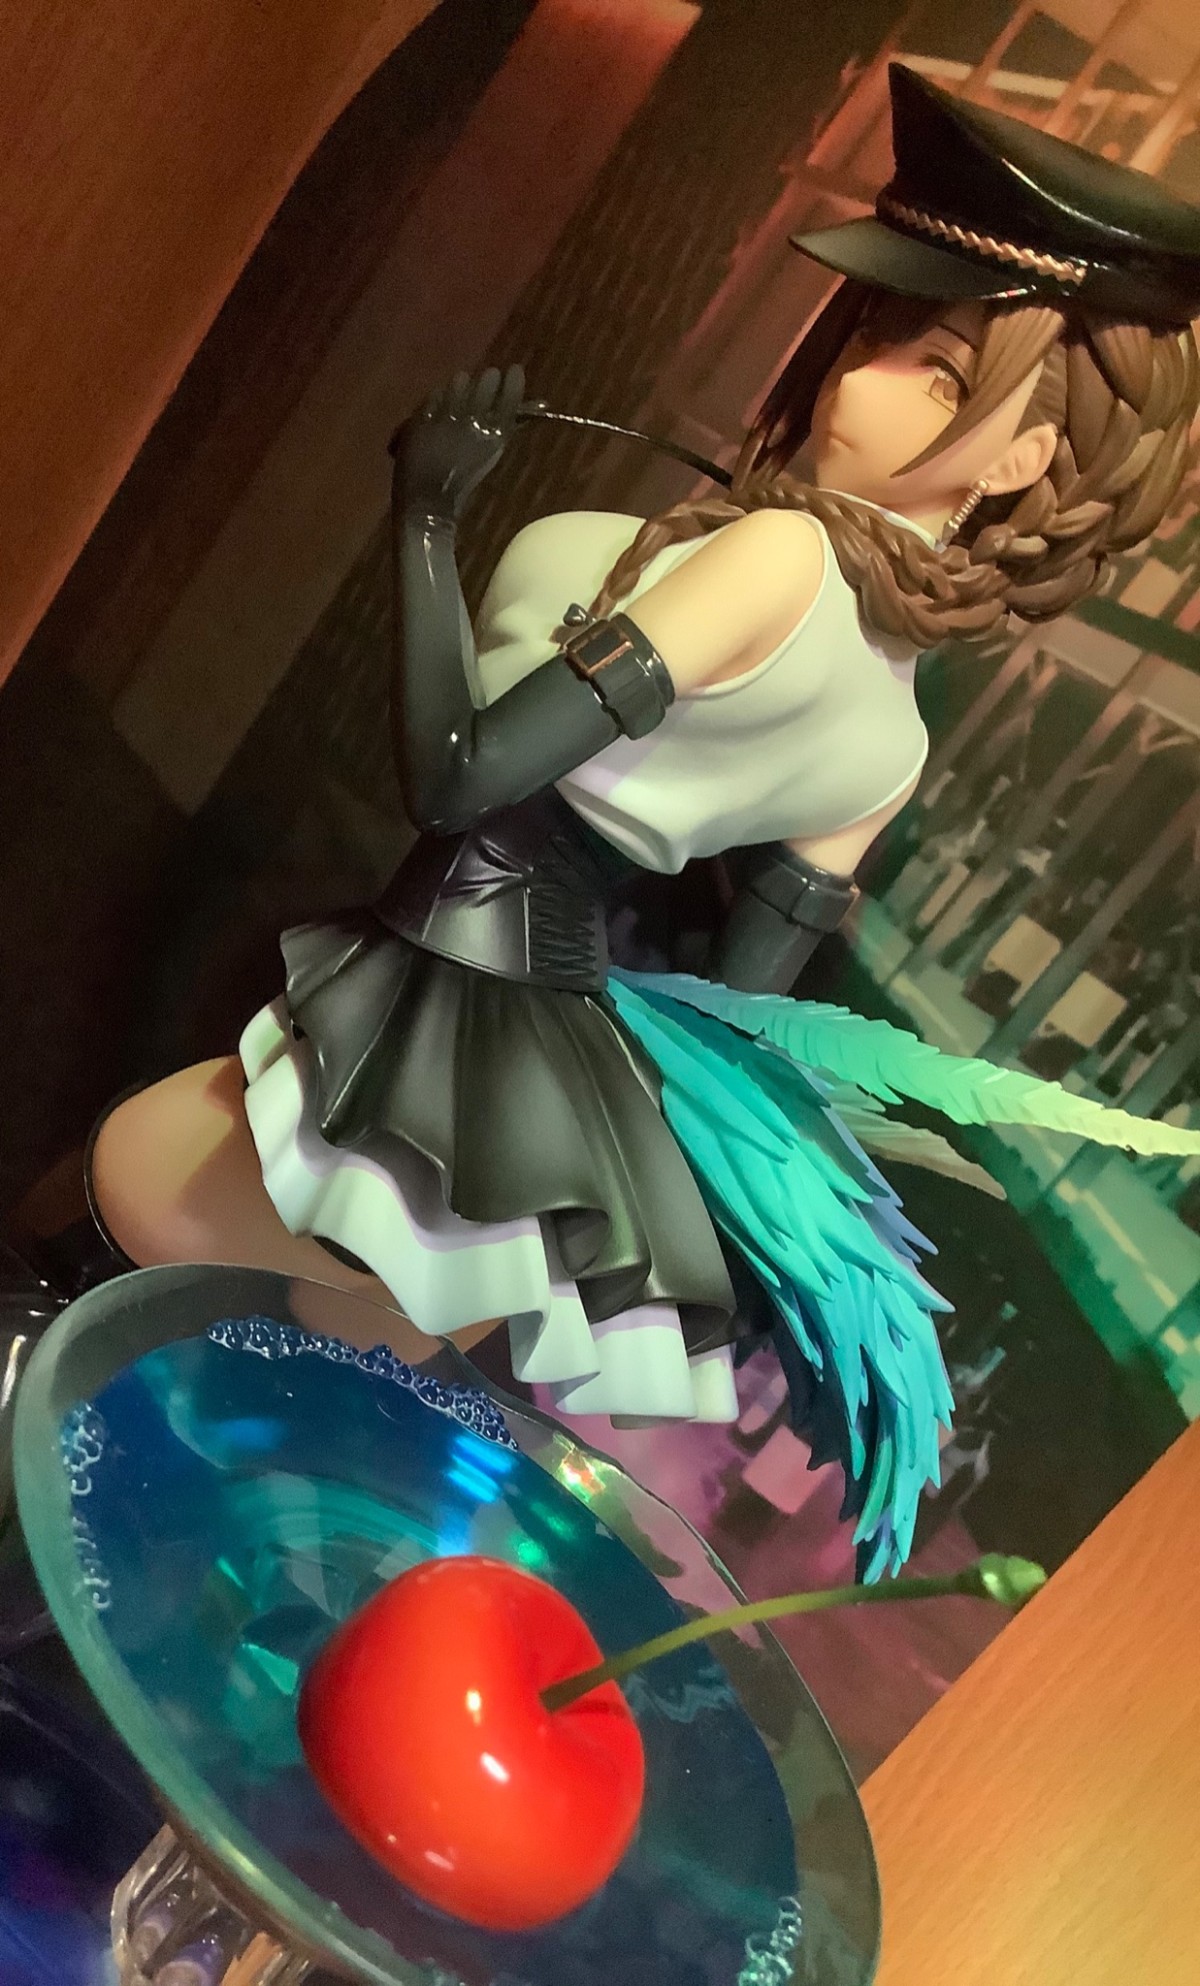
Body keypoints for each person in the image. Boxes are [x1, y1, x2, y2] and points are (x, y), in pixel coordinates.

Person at [89, 68, 1200, 1577]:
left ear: (1021, 466)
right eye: (882, 332)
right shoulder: (895, 732)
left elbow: (459, 777)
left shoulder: (777, 560)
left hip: (450, 981)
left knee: (139, 1186)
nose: (860, 380)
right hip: (556, 1050)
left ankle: (143, 1526)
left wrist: (427, 515)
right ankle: (196, 1544)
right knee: (309, 1341)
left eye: (939, 374)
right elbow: (741, 1015)